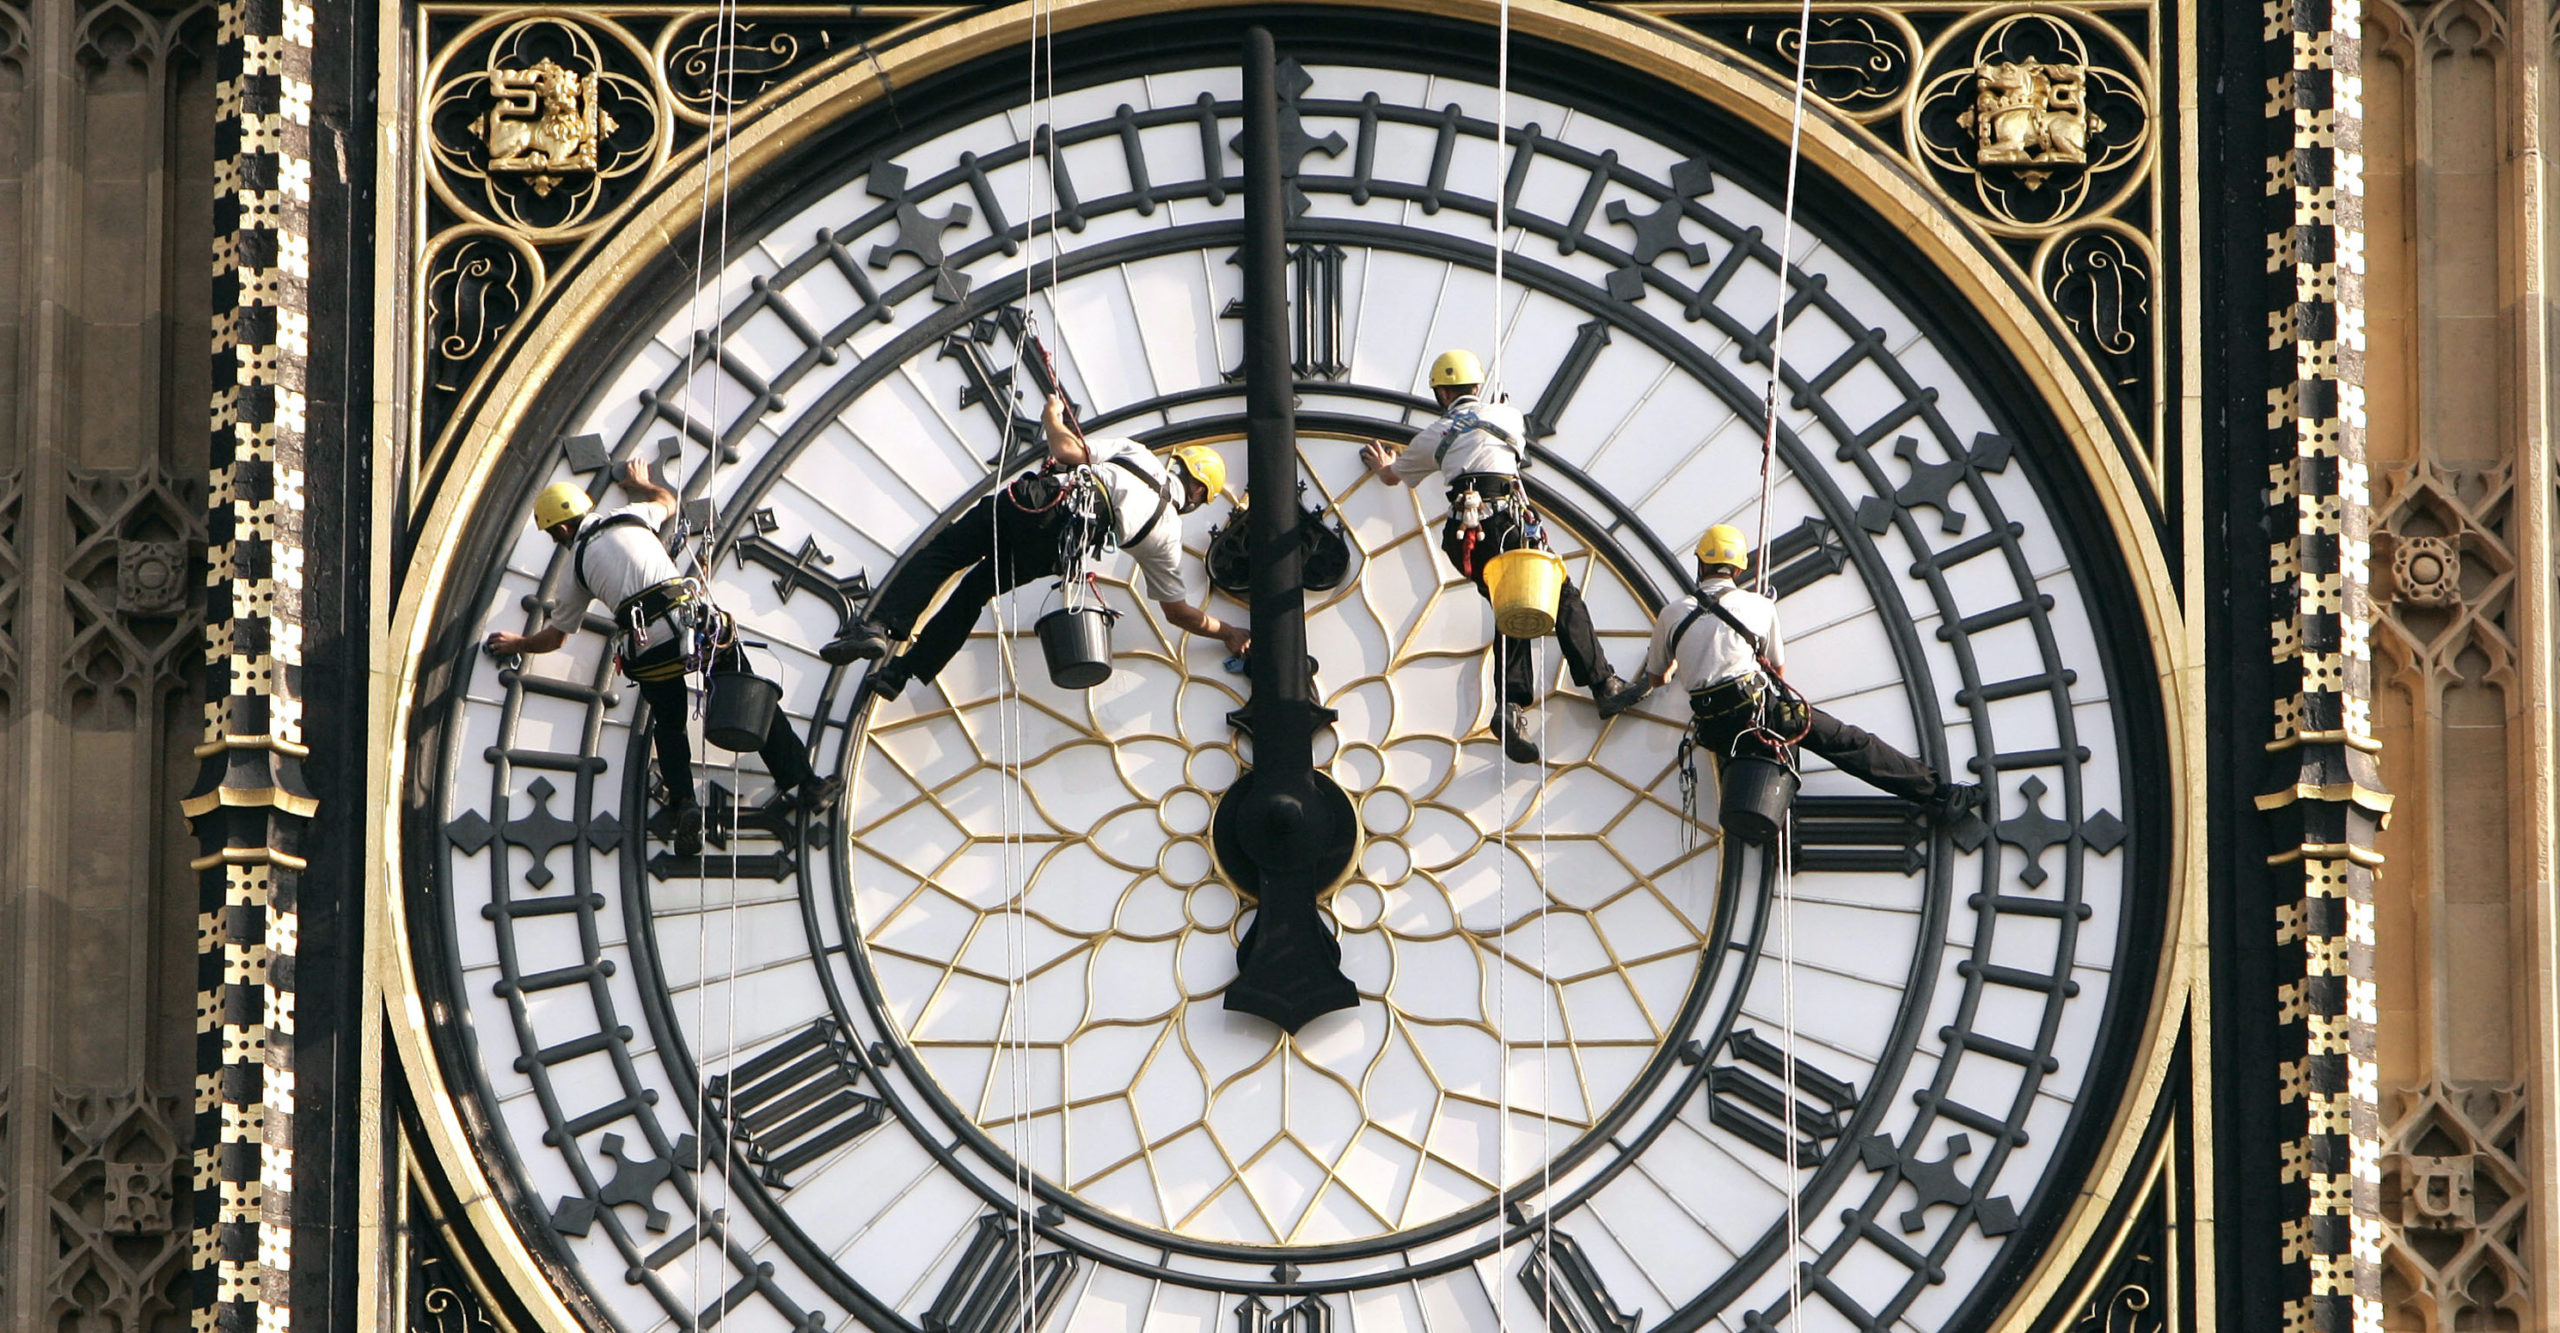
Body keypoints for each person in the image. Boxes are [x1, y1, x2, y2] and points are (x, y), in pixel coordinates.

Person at [484, 459, 841, 857]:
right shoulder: (631, 516)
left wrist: (517, 643)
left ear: (564, 529)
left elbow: (556, 637)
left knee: (669, 725)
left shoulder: (575, 567)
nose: (557, 541)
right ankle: (807, 784)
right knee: (746, 692)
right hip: (692, 624)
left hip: (649, 650)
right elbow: (668, 502)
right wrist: (641, 483)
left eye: (554, 534)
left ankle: (684, 803)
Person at [822, 393, 1250, 692]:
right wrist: (1229, 632)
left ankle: (878, 626)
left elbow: (1064, 450)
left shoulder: (1138, 455)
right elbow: (1178, 614)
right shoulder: (1166, 535)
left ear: (1181, 465)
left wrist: (1052, 415)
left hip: (1035, 505)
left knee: (946, 553)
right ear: (1198, 493)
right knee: (974, 592)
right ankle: (900, 674)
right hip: (1053, 550)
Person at [1601, 524, 1982, 823]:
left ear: (1700, 564)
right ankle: (1939, 794)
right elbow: (1778, 670)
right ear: (1738, 569)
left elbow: (1657, 678)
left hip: (1714, 728)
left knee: (1760, 768)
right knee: (1846, 741)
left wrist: (1675, 665)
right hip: (1757, 711)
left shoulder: (1671, 614)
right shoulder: (1758, 606)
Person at [1359, 348, 1625, 763]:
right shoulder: (1507, 416)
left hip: (1466, 535)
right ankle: (1601, 685)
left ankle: (1515, 707)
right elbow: (1512, 448)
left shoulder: (1432, 436)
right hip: (1504, 522)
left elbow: (1394, 477)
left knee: (1513, 604)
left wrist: (1383, 466)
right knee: (1556, 595)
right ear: (1476, 386)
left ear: (1442, 394)